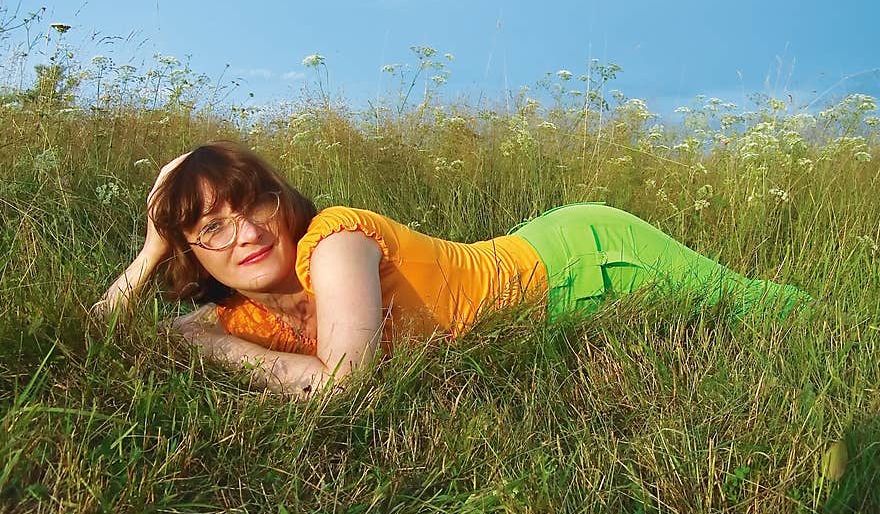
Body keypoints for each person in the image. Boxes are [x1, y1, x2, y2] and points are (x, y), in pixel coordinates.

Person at [96, 140, 815, 399]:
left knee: (765, 310)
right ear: (192, 253)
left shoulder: (335, 242)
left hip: (585, 255)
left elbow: (344, 387)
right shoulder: (245, 310)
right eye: (212, 227)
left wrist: (212, 346)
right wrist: (151, 248)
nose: (247, 232)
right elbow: (91, 341)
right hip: (521, 254)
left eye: (254, 203)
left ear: (281, 203)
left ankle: (839, 314)